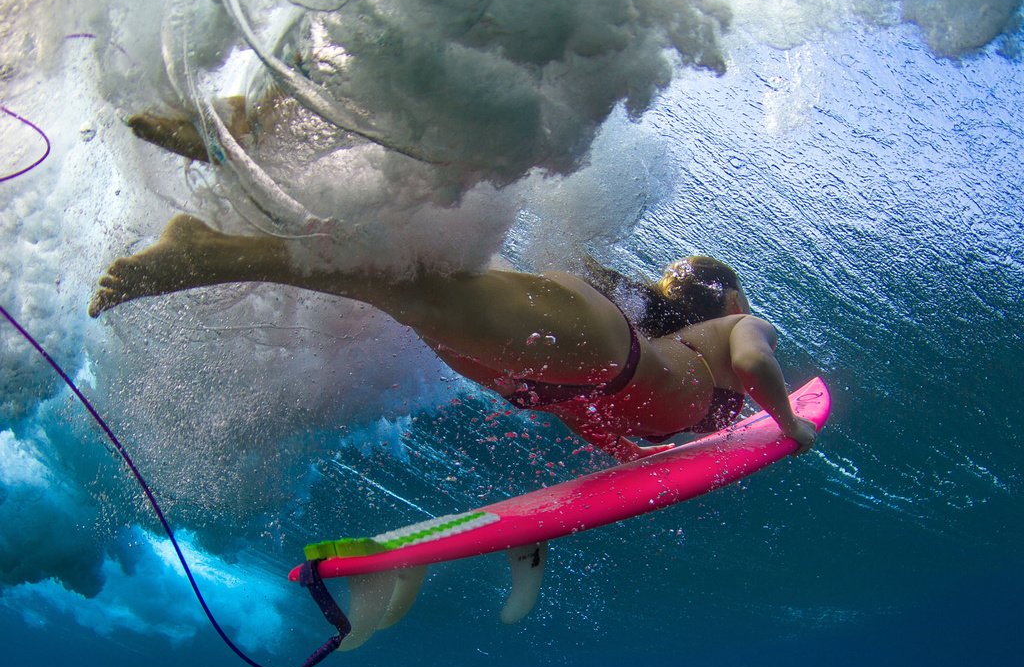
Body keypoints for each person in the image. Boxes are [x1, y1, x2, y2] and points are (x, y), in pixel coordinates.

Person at [88, 215, 817, 462]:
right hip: (593, 353)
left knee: (411, 288)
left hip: (557, 382)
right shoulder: (739, 328)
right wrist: (785, 424)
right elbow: (755, 360)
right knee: (401, 286)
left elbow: (595, 414)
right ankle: (205, 249)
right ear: (727, 294)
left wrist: (622, 454)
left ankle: (270, 185)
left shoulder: (689, 348)